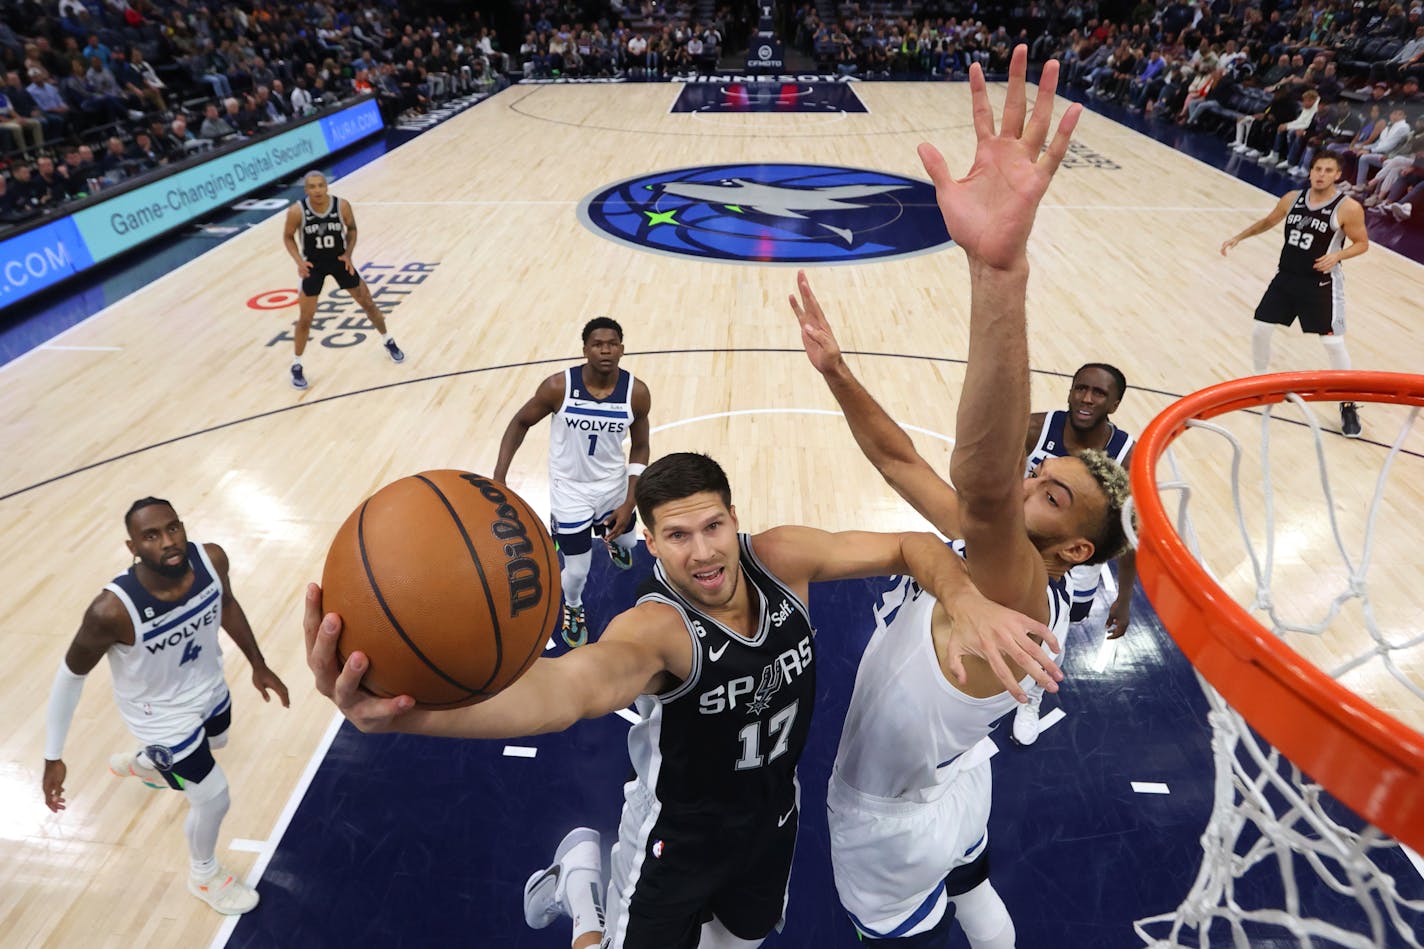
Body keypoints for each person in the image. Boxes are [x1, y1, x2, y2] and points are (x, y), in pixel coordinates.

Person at [303, 453, 1061, 949]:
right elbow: (564, 692)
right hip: (674, 841)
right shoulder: (659, 632)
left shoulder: (780, 557)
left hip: (771, 820)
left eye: (713, 525)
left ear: (735, 518)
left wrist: (963, 596)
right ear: (651, 544)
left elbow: (909, 546)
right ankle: (582, 886)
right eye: (676, 535)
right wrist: (411, 713)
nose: (702, 551)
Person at [790, 46, 1130, 946]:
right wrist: (836, 373)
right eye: (1041, 471)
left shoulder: (1015, 582)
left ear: (1073, 553)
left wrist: (999, 277)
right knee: (977, 885)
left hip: (889, 816)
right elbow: (902, 461)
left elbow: (979, 488)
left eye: (1051, 493)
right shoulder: (992, 557)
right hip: (957, 770)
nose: (1030, 480)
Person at [42, 498, 290, 915]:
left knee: (221, 739)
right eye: (151, 536)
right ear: (132, 547)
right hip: (158, 713)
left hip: (208, 686)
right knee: (213, 796)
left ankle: (149, 764)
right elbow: (70, 677)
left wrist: (258, 663)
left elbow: (225, 603)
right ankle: (205, 876)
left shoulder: (211, 560)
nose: (169, 541)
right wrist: (53, 756)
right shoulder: (111, 611)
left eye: (173, 528)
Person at [493, 318, 651, 646]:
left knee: (626, 544)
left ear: (622, 348)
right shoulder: (558, 387)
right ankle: (575, 606)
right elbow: (520, 422)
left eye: (612, 343)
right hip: (570, 490)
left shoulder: (636, 393)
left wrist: (630, 501)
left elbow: (641, 445)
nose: (605, 349)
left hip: (613, 485)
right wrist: (499, 475)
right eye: (597, 344)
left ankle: (612, 539)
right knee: (577, 570)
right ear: (585, 350)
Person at [1009, 362, 1135, 746]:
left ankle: (1029, 694)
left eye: (1099, 393)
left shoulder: (1126, 455)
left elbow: (1131, 532)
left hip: (1078, 561)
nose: (1086, 398)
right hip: (1021, 540)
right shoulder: (1034, 428)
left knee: (1054, 630)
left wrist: (1125, 598)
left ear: (1115, 403)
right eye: (1081, 388)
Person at [1221, 151, 1369, 438]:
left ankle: (1348, 403)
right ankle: (1260, 384)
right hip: (1287, 277)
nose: (1321, 174)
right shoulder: (1292, 198)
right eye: (1317, 169)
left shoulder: (1348, 208)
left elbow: (1362, 243)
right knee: (1261, 329)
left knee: (1334, 344)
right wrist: (1239, 236)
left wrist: (1338, 255)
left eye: (1328, 170)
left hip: (1321, 284)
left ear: (1337, 175)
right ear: (1310, 171)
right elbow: (1268, 221)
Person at [281, 170, 405, 390]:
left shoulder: (342, 206)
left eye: (321, 185)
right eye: (313, 186)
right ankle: (296, 365)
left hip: (339, 262)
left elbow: (352, 229)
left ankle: (388, 340)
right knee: (305, 319)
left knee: (368, 303)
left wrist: (348, 253)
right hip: (313, 267)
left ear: (326, 186)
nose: (318, 190)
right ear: (306, 190)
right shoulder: (297, 211)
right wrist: (299, 261)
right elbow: (288, 236)